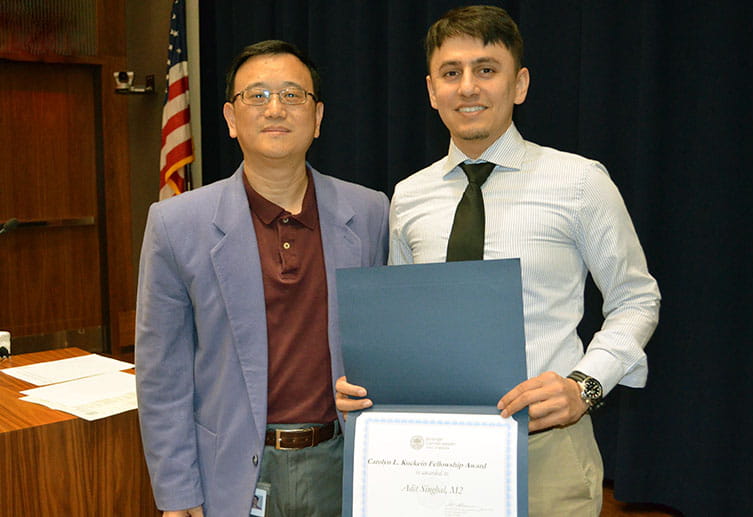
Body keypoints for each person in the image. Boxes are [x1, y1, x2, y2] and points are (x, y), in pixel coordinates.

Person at [335, 5, 660, 516]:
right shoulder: (409, 196)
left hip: (547, 450)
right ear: (431, 90)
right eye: (451, 73)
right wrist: (366, 382)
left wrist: (585, 386)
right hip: (429, 459)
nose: (467, 87)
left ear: (520, 83)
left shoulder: (579, 182)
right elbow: (403, 326)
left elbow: (636, 298)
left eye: (486, 69)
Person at [135, 40, 389, 517]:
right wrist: (176, 493)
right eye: (257, 95)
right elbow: (161, 375)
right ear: (231, 119)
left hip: (345, 465)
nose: (275, 108)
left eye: (293, 95)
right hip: (231, 473)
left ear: (317, 117)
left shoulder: (370, 211)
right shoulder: (176, 224)